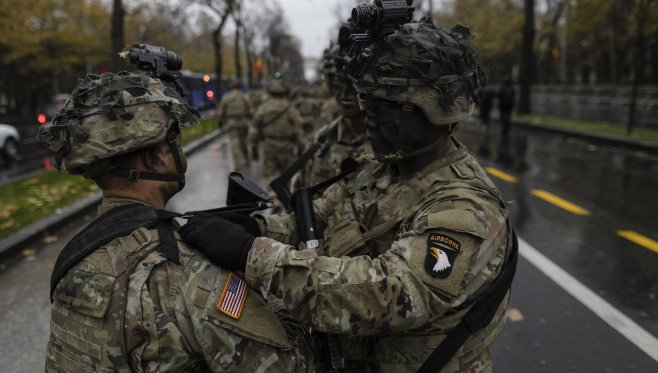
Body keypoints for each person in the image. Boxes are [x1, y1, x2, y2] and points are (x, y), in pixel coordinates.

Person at [180, 19, 516, 372]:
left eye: (381, 107)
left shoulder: (464, 207)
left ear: (432, 109)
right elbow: (316, 217)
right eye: (364, 103)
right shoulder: (383, 167)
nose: (366, 118)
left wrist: (252, 255)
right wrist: (255, 226)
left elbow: (391, 295)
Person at [39, 72, 313, 372]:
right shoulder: (186, 272)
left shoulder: (73, 262)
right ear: (154, 157)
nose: (179, 151)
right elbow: (289, 365)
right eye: (174, 140)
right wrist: (274, 303)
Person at [293, 41, 372, 190]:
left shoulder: (390, 146)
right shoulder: (319, 143)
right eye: (337, 81)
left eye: (353, 82)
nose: (345, 91)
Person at [248, 79, 305, 208]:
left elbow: (255, 129)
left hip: (269, 146)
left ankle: (273, 196)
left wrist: (254, 148)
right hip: (287, 147)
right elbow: (298, 128)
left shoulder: (264, 108)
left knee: (271, 172)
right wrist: (301, 146)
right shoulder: (290, 108)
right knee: (286, 174)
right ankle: (285, 200)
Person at [217, 78, 252, 170]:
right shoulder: (244, 96)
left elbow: (220, 111)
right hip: (243, 123)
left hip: (232, 123)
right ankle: (247, 158)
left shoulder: (226, 97)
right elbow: (250, 110)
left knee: (234, 143)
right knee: (243, 142)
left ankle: (237, 164)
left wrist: (220, 121)